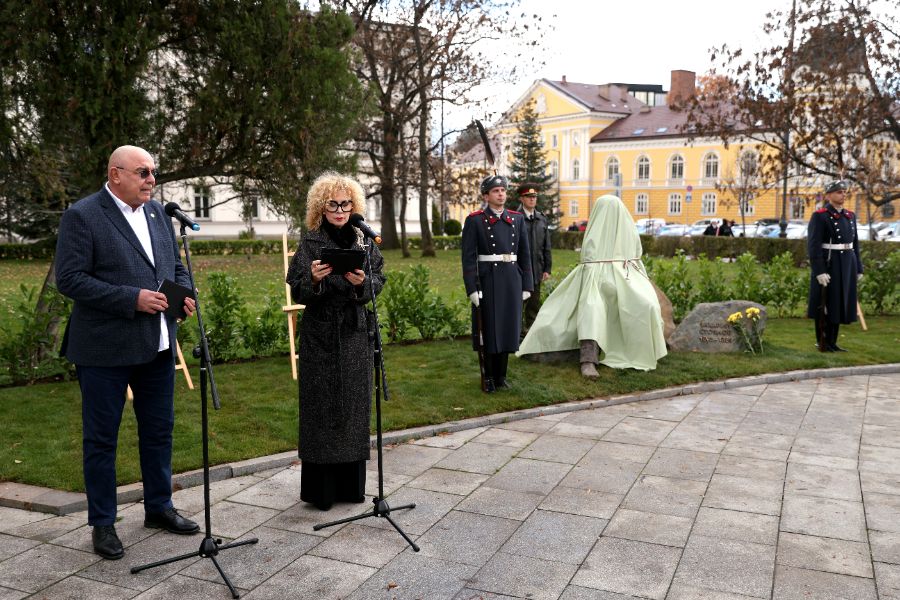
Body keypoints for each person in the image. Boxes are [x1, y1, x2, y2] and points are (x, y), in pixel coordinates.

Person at [55, 145, 199, 560]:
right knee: (101, 440)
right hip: (103, 349)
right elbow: (70, 279)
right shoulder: (83, 215)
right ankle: (103, 524)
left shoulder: (157, 214)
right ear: (115, 174)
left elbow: (173, 266)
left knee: (159, 431)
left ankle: (159, 507)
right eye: (143, 172)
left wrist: (183, 294)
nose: (151, 179)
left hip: (156, 344)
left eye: (153, 172)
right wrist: (131, 299)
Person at [286, 172, 385, 510]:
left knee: (355, 409)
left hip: (355, 334)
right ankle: (321, 493)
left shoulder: (363, 240)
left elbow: (379, 281)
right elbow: (297, 288)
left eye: (346, 204)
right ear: (321, 207)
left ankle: (351, 488)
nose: (341, 210)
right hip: (321, 336)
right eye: (334, 204)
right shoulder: (310, 241)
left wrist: (362, 283)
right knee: (321, 409)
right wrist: (313, 280)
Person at [518, 195, 667, 376]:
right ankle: (588, 360)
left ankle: (642, 351)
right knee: (591, 308)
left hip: (624, 283)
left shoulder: (628, 233)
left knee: (646, 305)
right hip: (595, 284)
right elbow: (590, 268)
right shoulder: (594, 236)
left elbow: (634, 262)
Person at [462, 174, 533, 391]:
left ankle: (502, 377)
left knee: (508, 328)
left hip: (512, 279)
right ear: (486, 196)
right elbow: (468, 257)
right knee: (490, 330)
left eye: (503, 190)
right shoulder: (475, 220)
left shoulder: (517, 219)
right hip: (488, 280)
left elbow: (524, 253)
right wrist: (472, 288)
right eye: (495, 191)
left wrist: (527, 284)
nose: (501, 194)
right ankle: (489, 377)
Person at [807, 180, 863, 352]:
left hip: (847, 263)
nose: (843, 194)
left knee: (839, 303)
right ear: (829, 195)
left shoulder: (850, 216)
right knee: (825, 304)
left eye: (844, 192)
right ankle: (822, 341)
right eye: (839, 192)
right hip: (830, 264)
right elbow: (814, 245)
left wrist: (858, 267)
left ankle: (833, 342)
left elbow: (855, 244)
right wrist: (819, 270)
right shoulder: (820, 216)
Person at [516, 183, 552, 338]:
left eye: (534, 197)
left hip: (536, 269)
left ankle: (531, 336)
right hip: (518, 270)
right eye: (528, 197)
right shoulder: (515, 218)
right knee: (517, 304)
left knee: (533, 304)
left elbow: (546, 246)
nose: (532, 200)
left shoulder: (541, 219)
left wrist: (547, 268)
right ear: (521, 198)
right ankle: (515, 335)